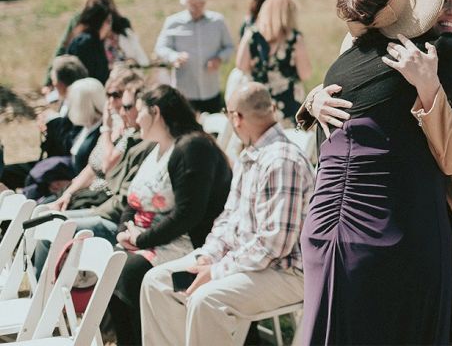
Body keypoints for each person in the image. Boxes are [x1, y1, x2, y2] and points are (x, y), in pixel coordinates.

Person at [306, 0, 452, 345]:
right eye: (444, 3)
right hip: (421, 223)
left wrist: (428, 87)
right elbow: (355, 78)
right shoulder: (399, 56)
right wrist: (315, 99)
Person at [140, 83, 315, 346]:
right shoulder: (251, 155)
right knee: (157, 282)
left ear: (237, 117)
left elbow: (274, 244)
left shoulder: (282, 160)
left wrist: (217, 270)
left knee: (205, 299)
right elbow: (227, 220)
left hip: (286, 272)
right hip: (248, 263)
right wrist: (207, 255)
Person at [108, 85, 232, 345]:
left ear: (156, 112)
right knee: (112, 264)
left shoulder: (193, 147)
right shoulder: (155, 149)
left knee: (128, 271)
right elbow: (132, 200)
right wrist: (123, 233)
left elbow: (189, 213)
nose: (133, 118)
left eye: (139, 111)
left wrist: (141, 240)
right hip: (152, 238)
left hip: (190, 242)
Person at [48, 70, 143, 212]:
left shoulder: (132, 132)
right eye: (108, 95)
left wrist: (106, 128)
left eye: (116, 95)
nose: (111, 101)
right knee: (44, 206)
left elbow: (107, 165)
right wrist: (67, 193)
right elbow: (91, 168)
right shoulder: (115, 125)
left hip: (101, 198)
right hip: (86, 192)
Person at [1, 56, 88, 191]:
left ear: (61, 84)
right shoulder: (62, 101)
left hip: (65, 166)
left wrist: (53, 123)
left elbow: (69, 144)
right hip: (53, 161)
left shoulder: (79, 106)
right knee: (8, 172)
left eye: (53, 82)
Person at [42, 0, 149, 91]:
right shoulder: (81, 25)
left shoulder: (120, 22)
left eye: (103, 1)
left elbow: (134, 48)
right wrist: (48, 81)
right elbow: (63, 48)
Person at [154, 0, 234, 114]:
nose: (197, 9)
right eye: (193, 6)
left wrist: (219, 58)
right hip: (185, 91)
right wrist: (174, 57)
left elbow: (229, 47)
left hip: (210, 89)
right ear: (185, 3)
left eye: (200, 4)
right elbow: (160, 47)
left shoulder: (217, 21)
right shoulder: (173, 22)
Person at [235, 0, 311, 122]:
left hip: (258, 101)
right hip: (288, 104)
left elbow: (241, 65)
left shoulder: (252, 34)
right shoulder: (294, 39)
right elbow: (305, 74)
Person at [66, 1, 113, 84]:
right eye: (108, 21)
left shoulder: (94, 41)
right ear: (102, 22)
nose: (110, 26)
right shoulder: (86, 43)